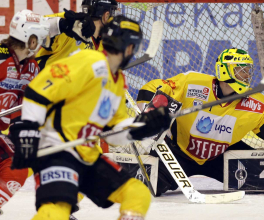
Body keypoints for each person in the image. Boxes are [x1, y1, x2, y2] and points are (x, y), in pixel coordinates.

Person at [9, 15, 171, 220]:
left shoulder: (117, 82)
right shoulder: (88, 61)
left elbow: (113, 133)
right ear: (130, 48)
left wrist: (143, 127)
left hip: (87, 155)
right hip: (57, 152)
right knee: (56, 211)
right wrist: (29, 132)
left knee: (137, 194)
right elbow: (37, 91)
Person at [136, 48, 264, 196]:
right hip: (178, 152)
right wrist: (151, 111)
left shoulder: (256, 102)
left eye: (248, 71)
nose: (246, 76)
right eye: (241, 70)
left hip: (222, 155)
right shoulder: (192, 83)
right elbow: (151, 88)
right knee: (146, 185)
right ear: (225, 70)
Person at [0, 10, 50, 214]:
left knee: (19, 166)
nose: (41, 44)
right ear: (30, 38)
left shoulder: (32, 67)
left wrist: (20, 125)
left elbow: (24, 102)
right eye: (39, 38)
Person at [36, 0, 118, 70]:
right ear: (106, 16)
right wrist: (62, 25)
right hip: (40, 84)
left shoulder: (102, 45)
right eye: (112, 14)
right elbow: (34, 24)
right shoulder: (72, 23)